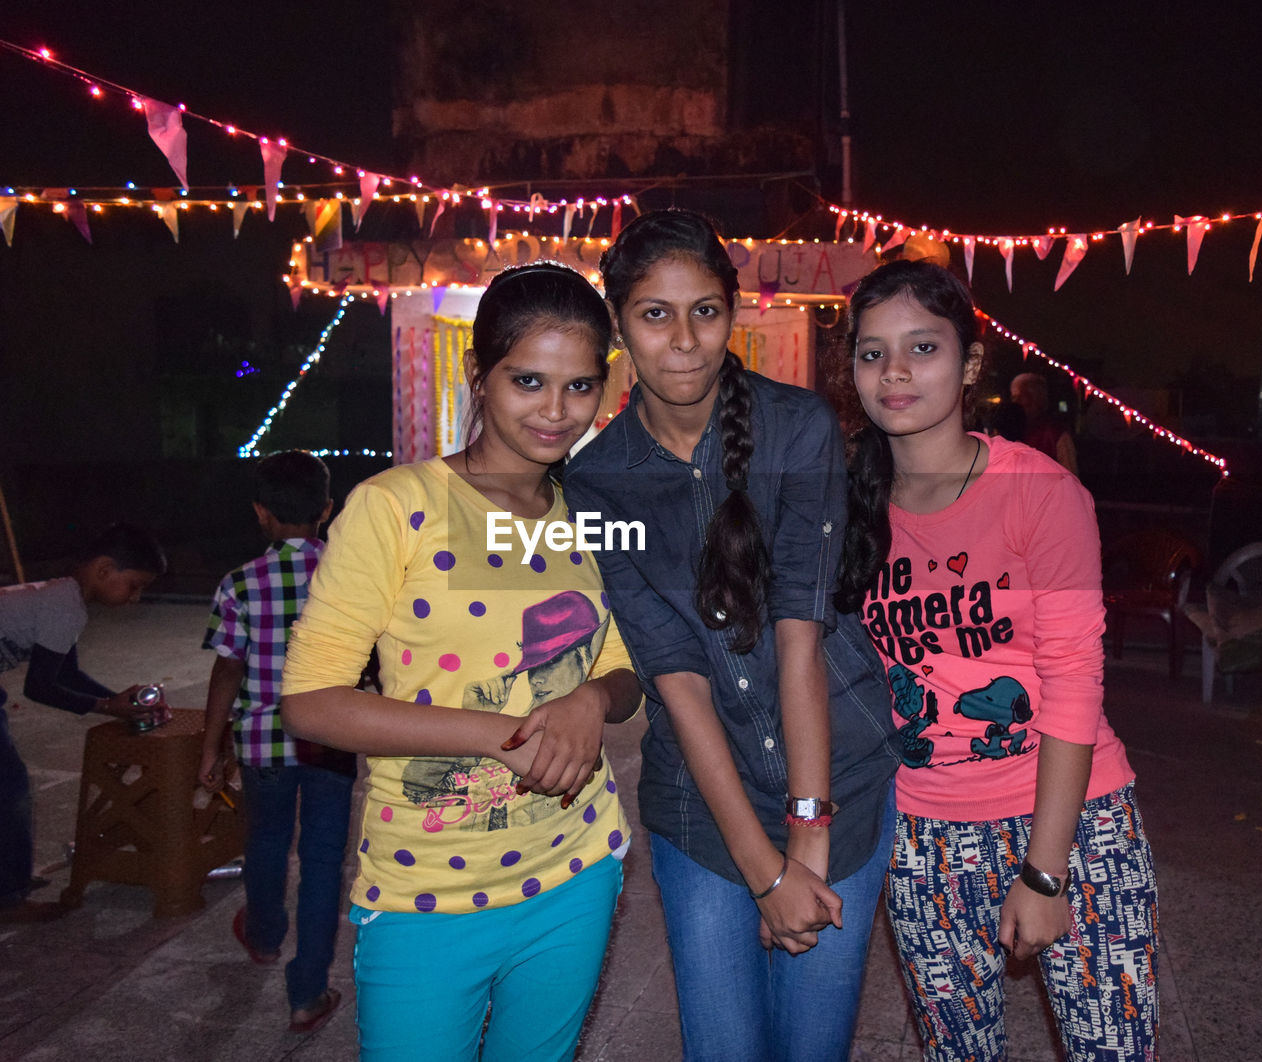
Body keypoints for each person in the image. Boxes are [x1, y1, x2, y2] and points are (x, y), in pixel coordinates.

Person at [279, 262, 641, 1062]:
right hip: (425, 890)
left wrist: (591, 701)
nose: (555, 411)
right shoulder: (395, 506)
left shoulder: (588, 513)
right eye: (529, 380)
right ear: (479, 377)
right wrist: (496, 733)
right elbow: (309, 701)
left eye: (580, 387)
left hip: (576, 870)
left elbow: (621, 665)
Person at [563, 209, 901, 1062]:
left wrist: (808, 837)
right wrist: (763, 869)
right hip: (704, 808)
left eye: (705, 311)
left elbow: (800, 635)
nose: (684, 341)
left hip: (840, 784)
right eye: (654, 314)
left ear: (733, 314)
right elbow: (674, 676)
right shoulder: (598, 481)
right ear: (619, 328)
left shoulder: (798, 428)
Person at [840, 259, 1158, 1061]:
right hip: (924, 835)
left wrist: (1046, 873)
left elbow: (1077, 682)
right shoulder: (845, 506)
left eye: (923, 347)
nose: (896, 372)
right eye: (872, 353)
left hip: (1072, 824)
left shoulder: (1040, 492)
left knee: (1110, 1049)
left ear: (970, 363)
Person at [197, 449, 355, 1035]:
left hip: (262, 742)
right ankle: (308, 993)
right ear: (328, 510)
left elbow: (226, 671)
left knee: (264, 841)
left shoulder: (240, 583)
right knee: (321, 861)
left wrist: (211, 749)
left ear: (261, 514)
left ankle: (263, 937)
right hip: (330, 738)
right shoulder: (350, 577)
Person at [0, 524, 166, 923]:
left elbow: (65, 674)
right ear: (105, 569)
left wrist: (116, 701)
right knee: (11, 790)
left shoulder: (63, 597)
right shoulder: (65, 605)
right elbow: (40, 687)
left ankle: (9, 881)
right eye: (134, 585)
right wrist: (110, 708)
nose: (135, 598)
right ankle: (9, 898)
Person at [1010, 371, 1079, 475]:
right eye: (1014, 397)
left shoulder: (1056, 434)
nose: (1016, 402)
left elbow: (1070, 478)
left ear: (1037, 398)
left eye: (1022, 396)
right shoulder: (1010, 430)